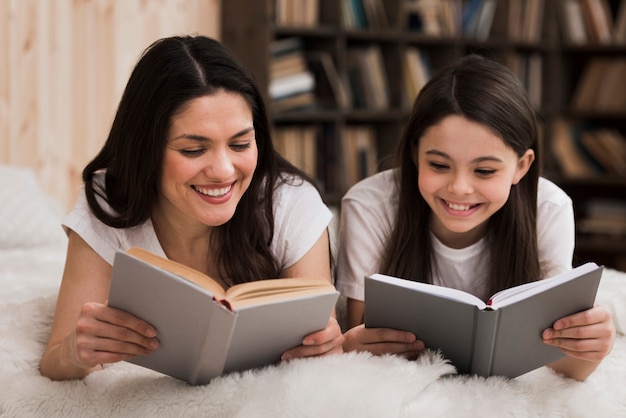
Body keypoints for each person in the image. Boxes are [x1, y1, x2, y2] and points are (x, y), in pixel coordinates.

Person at [40, 35, 343, 381]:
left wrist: (326, 345)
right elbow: (54, 361)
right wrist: (73, 353)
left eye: (240, 144)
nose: (224, 171)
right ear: (146, 151)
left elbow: (324, 348)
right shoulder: (111, 200)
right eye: (193, 150)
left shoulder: (290, 203)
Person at [336, 54, 615, 381]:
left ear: (521, 167)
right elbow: (361, 336)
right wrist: (353, 345)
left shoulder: (549, 208)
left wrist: (589, 351)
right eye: (439, 165)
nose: (459, 188)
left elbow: (560, 363)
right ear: (415, 154)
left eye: (484, 170)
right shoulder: (370, 205)